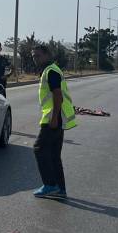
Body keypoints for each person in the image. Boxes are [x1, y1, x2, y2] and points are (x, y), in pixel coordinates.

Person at [30, 43, 76, 199]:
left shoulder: (51, 71)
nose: (35, 59)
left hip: (53, 118)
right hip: (57, 117)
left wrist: (54, 118)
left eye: (38, 56)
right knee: (54, 154)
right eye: (33, 56)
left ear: (47, 55)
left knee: (39, 149)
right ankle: (60, 188)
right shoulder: (51, 70)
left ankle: (50, 185)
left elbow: (57, 95)